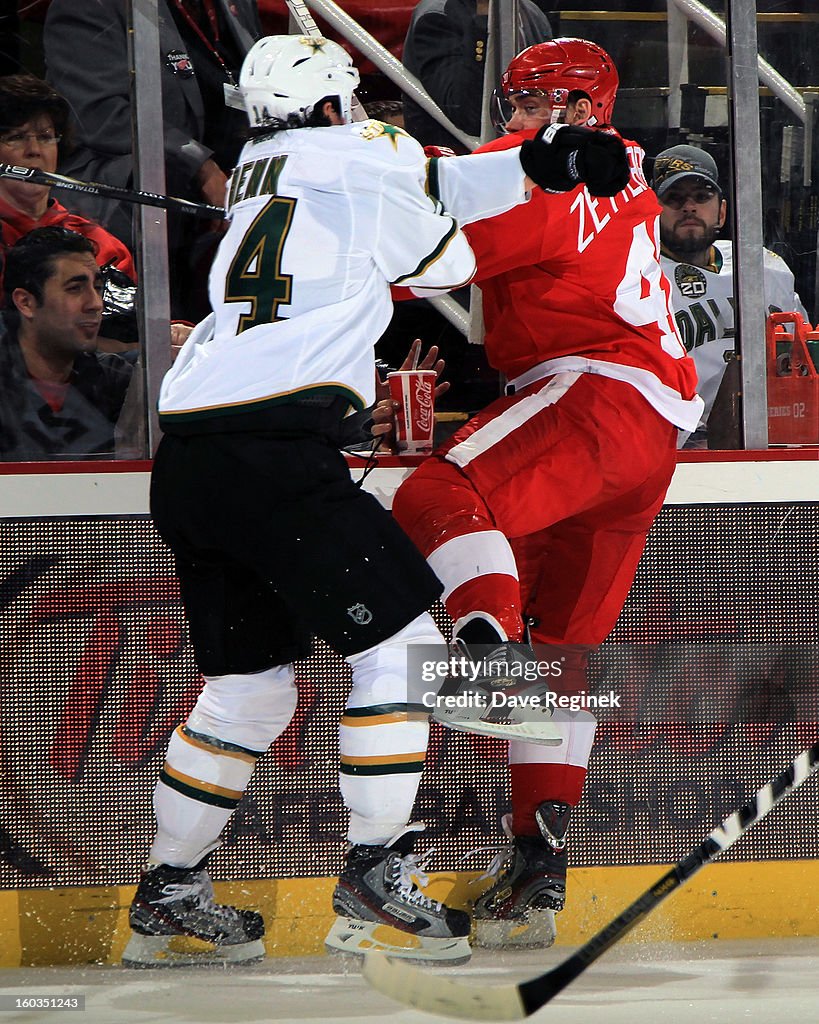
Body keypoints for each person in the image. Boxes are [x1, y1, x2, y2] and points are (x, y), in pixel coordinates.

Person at [121, 33, 630, 967]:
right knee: (403, 656)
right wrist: (548, 160)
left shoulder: (256, 174)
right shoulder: (359, 155)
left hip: (189, 457)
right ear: (328, 105)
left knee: (245, 690)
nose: (358, 110)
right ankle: (376, 871)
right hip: (277, 454)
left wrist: (536, 161)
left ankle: (167, 893)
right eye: (349, 98)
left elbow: (420, 214)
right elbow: (442, 231)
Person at [389, 38, 702, 951]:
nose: (515, 119)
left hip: (595, 390)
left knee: (441, 490)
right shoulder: (621, 163)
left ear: (575, 105)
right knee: (561, 650)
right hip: (648, 425)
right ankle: (536, 871)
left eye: (532, 102)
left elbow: (429, 261)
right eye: (514, 101)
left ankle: (481, 663)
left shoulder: (541, 172)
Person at [43, 0, 261, 320]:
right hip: (123, 170)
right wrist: (202, 168)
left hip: (233, 167)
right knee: (166, 177)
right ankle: (168, 325)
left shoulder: (233, 5)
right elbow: (100, 114)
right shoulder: (89, 6)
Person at [651, 143, 808, 449]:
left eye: (701, 196)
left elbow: (801, 357)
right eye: (674, 198)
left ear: (721, 211)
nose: (689, 207)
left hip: (768, 435)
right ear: (652, 211)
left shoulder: (762, 267)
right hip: (675, 443)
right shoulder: (636, 276)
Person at [0, 74, 140, 349]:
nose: (34, 151)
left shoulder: (98, 241)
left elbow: (131, 325)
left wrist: (169, 333)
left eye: (46, 137)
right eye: (15, 137)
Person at [0, 227, 133, 461]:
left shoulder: (117, 380)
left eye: (98, 288)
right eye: (75, 289)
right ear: (26, 302)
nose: (95, 304)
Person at [402, 0, 552, 151]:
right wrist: (486, 16)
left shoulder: (531, 12)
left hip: (522, 158)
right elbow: (471, 118)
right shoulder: (437, 16)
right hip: (457, 162)